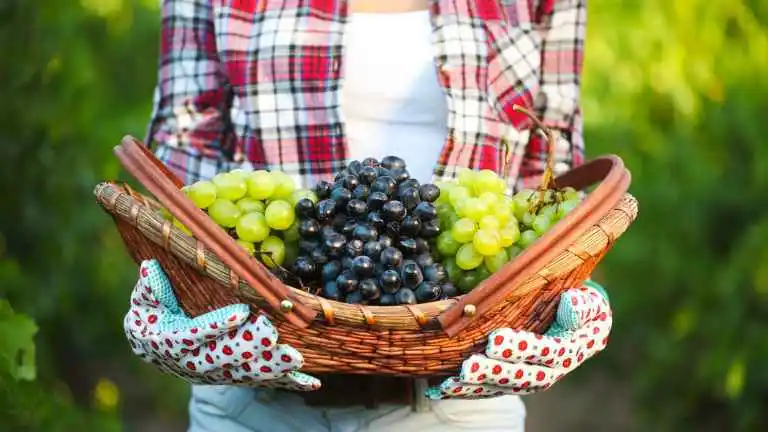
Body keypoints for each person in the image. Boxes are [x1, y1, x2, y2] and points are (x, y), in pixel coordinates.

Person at [125, 0, 613, 431]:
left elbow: (550, 173)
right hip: (253, 397)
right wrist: (173, 298)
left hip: (460, 404)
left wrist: (566, 294)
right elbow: (186, 153)